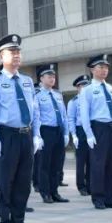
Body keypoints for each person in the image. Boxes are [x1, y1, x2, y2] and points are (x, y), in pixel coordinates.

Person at [0, 35, 41, 223]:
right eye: (11, 52)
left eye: (18, 52)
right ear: (1, 57)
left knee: (24, 181)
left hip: (26, 134)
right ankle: (5, 221)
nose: (16, 56)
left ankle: (19, 220)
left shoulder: (26, 81)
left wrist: (36, 134)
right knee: (6, 180)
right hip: (6, 135)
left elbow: (35, 110)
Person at [78, 54, 112, 211]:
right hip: (98, 128)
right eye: (100, 67)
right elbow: (84, 114)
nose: (104, 70)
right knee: (98, 165)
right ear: (92, 69)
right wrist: (89, 134)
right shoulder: (88, 90)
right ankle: (98, 198)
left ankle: (110, 198)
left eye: (106, 67)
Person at [34, 64, 68, 205]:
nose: (52, 78)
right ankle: (45, 193)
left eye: (54, 76)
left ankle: (55, 192)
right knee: (45, 164)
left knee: (57, 164)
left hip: (58, 131)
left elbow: (64, 115)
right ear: (41, 78)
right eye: (49, 76)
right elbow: (35, 116)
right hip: (46, 131)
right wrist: (37, 135)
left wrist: (66, 133)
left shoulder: (58, 95)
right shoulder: (36, 95)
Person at [68, 76, 90, 195]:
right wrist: (74, 135)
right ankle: (81, 186)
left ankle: (91, 185)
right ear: (78, 88)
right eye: (83, 86)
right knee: (81, 161)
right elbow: (71, 119)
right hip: (80, 131)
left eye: (87, 85)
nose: (85, 88)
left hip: (92, 130)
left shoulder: (91, 100)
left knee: (92, 160)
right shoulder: (74, 102)